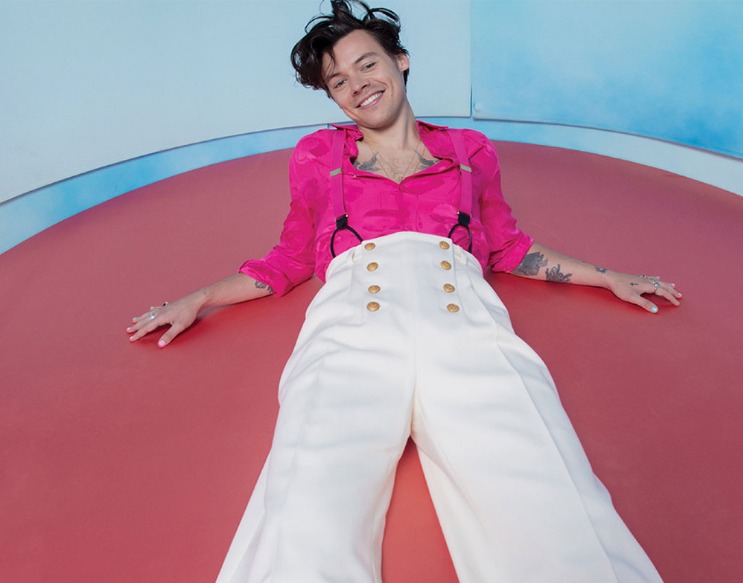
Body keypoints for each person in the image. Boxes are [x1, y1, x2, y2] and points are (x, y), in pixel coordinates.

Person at [127, 1, 681, 581]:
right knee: (307, 506)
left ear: (401, 60)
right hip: (350, 331)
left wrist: (607, 276)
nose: (357, 85)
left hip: (465, 325)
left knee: (547, 493)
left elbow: (508, 247)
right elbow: (289, 257)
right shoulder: (317, 155)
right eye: (338, 81)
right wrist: (198, 299)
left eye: (367, 65)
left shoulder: (470, 150)